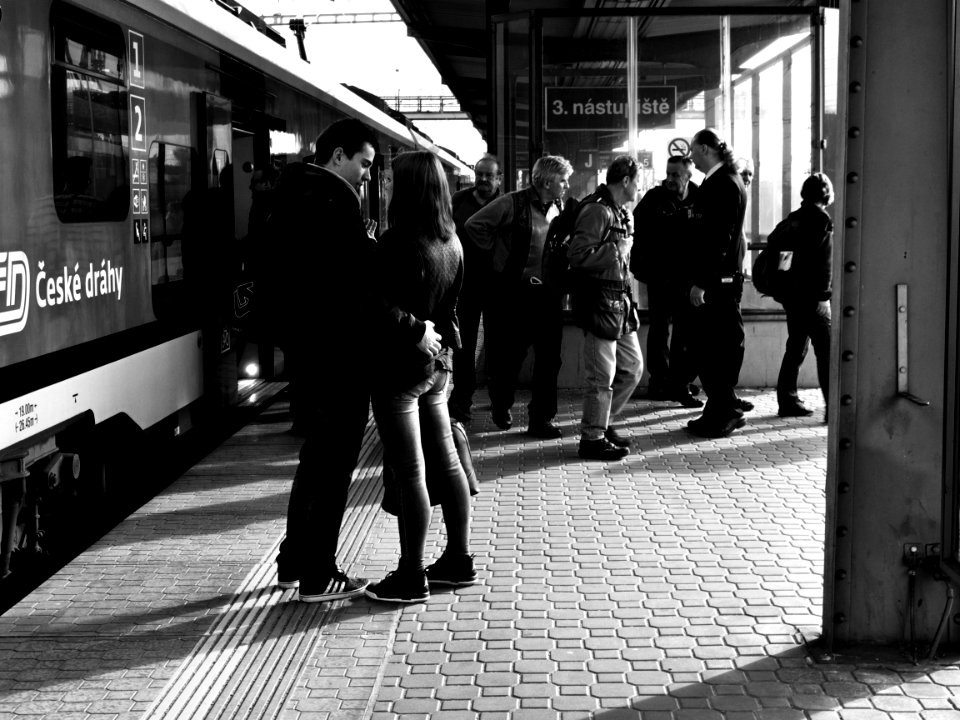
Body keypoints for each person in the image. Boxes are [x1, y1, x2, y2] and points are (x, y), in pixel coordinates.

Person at [271, 118, 379, 602]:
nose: (368, 175)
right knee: (333, 466)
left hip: (309, 352)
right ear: (338, 156)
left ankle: (293, 562)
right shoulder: (333, 203)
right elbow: (351, 287)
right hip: (338, 356)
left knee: (313, 461)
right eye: (364, 163)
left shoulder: (293, 193)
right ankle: (318, 574)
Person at [365, 151, 475, 604]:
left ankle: (411, 576)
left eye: (392, 179)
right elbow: (451, 309)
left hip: (400, 369)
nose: (386, 185)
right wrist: (442, 346)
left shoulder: (396, 243)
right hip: (437, 369)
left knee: (409, 470)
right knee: (445, 462)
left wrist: (414, 332)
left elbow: (379, 304)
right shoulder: (452, 240)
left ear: (407, 187)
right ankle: (458, 560)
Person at [463, 155, 573, 438]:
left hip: (547, 294)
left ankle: (541, 420)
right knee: (510, 357)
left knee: (550, 359)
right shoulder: (512, 202)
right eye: (563, 180)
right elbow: (475, 225)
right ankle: (501, 404)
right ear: (547, 181)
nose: (566, 185)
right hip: (516, 294)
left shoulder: (558, 206)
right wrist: (497, 257)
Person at [568, 156, 644, 461]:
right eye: (637, 181)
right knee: (602, 375)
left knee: (633, 367)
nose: (639, 187)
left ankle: (603, 422)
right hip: (600, 302)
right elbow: (577, 254)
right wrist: (616, 250)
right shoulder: (597, 211)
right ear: (625, 180)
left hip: (617, 304)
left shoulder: (619, 211)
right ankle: (592, 438)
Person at [686, 128, 749, 439]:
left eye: (695, 151)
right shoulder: (723, 180)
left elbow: (718, 240)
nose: (692, 157)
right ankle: (717, 409)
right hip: (720, 280)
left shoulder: (723, 183)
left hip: (716, 283)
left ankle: (728, 411)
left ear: (708, 149)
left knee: (713, 348)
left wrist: (701, 283)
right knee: (712, 347)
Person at [631, 156, 702, 409]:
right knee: (660, 329)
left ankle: (680, 382)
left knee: (686, 331)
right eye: (668, 174)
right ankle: (659, 381)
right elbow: (637, 230)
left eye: (676, 175)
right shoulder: (654, 199)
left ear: (688, 175)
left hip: (688, 279)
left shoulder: (699, 197)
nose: (670, 179)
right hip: (660, 276)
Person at [448, 154, 503, 425]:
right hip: (464, 283)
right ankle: (461, 401)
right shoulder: (459, 200)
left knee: (497, 345)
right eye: (479, 174)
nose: (482, 179)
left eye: (488, 175)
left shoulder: (505, 203)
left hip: (495, 284)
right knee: (464, 346)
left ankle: (499, 402)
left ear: (498, 178)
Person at [774, 172, 834, 418]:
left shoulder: (793, 219)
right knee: (826, 351)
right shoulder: (821, 219)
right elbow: (825, 262)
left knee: (796, 346)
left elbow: (782, 255)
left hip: (793, 295)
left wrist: (786, 286)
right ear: (826, 194)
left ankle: (787, 400)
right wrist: (823, 297)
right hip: (812, 296)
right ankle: (833, 407)